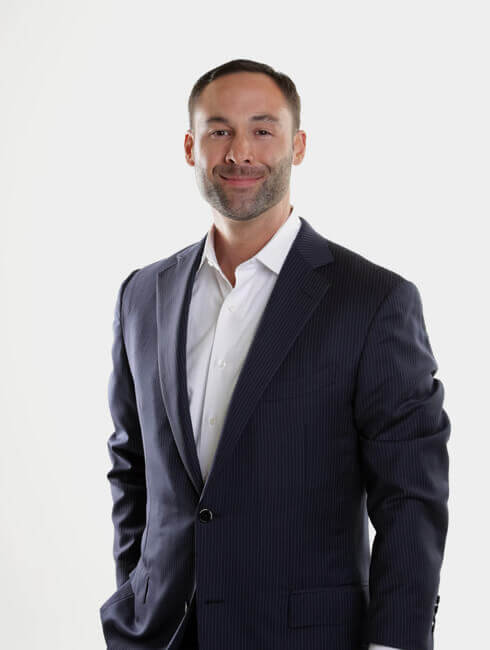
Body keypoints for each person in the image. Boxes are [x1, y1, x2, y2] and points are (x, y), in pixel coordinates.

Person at [99, 58, 450, 650]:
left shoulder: (372, 300)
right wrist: (137, 595)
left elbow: (410, 495)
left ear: (298, 145)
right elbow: (131, 467)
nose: (240, 152)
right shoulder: (142, 294)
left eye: (262, 130)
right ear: (190, 147)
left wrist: (395, 642)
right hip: (160, 635)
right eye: (219, 130)